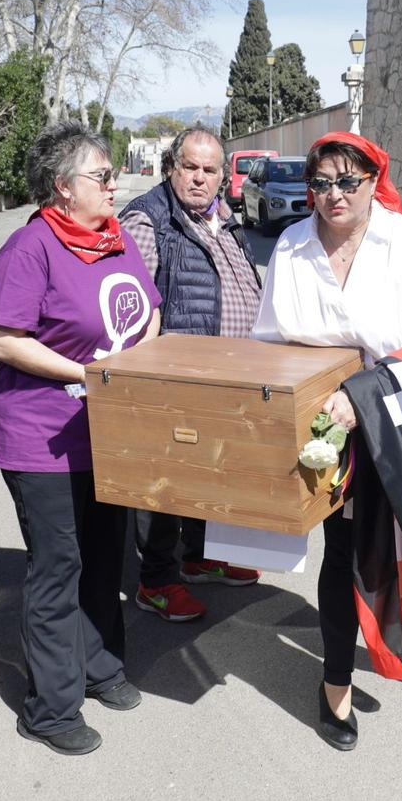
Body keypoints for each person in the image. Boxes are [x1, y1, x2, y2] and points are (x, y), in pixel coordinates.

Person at [254, 131, 402, 748]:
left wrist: (361, 397)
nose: (334, 195)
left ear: (371, 180)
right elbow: (271, 343)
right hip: (332, 426)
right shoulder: (291, 245)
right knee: (341, 555)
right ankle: (334, 688)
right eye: (322, 183)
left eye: (347, 182)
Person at [0, 122, 162, 756]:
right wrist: (89, 373)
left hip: (107, 431)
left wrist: (136, 362)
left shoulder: (114, 241)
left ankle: (101, 667)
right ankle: (51, 707)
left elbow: (150, 306)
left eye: (112, 175)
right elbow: (3, 339)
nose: (114, 186)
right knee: (59, 564)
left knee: (104, 553)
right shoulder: (29, 249)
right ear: (63, 188)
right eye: (102, 176)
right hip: (41, 436)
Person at [117, 125, 264, 621]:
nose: (200, 178)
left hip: (225, 377)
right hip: (175, 379)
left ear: (223, 176)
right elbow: (131, 306)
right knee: (166, 481)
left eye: (209, 170)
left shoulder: (224, 218)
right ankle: (155, 581)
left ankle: (200, 557)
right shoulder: (149, 220)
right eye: (190, 167)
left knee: (211, 470)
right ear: (171, 168)